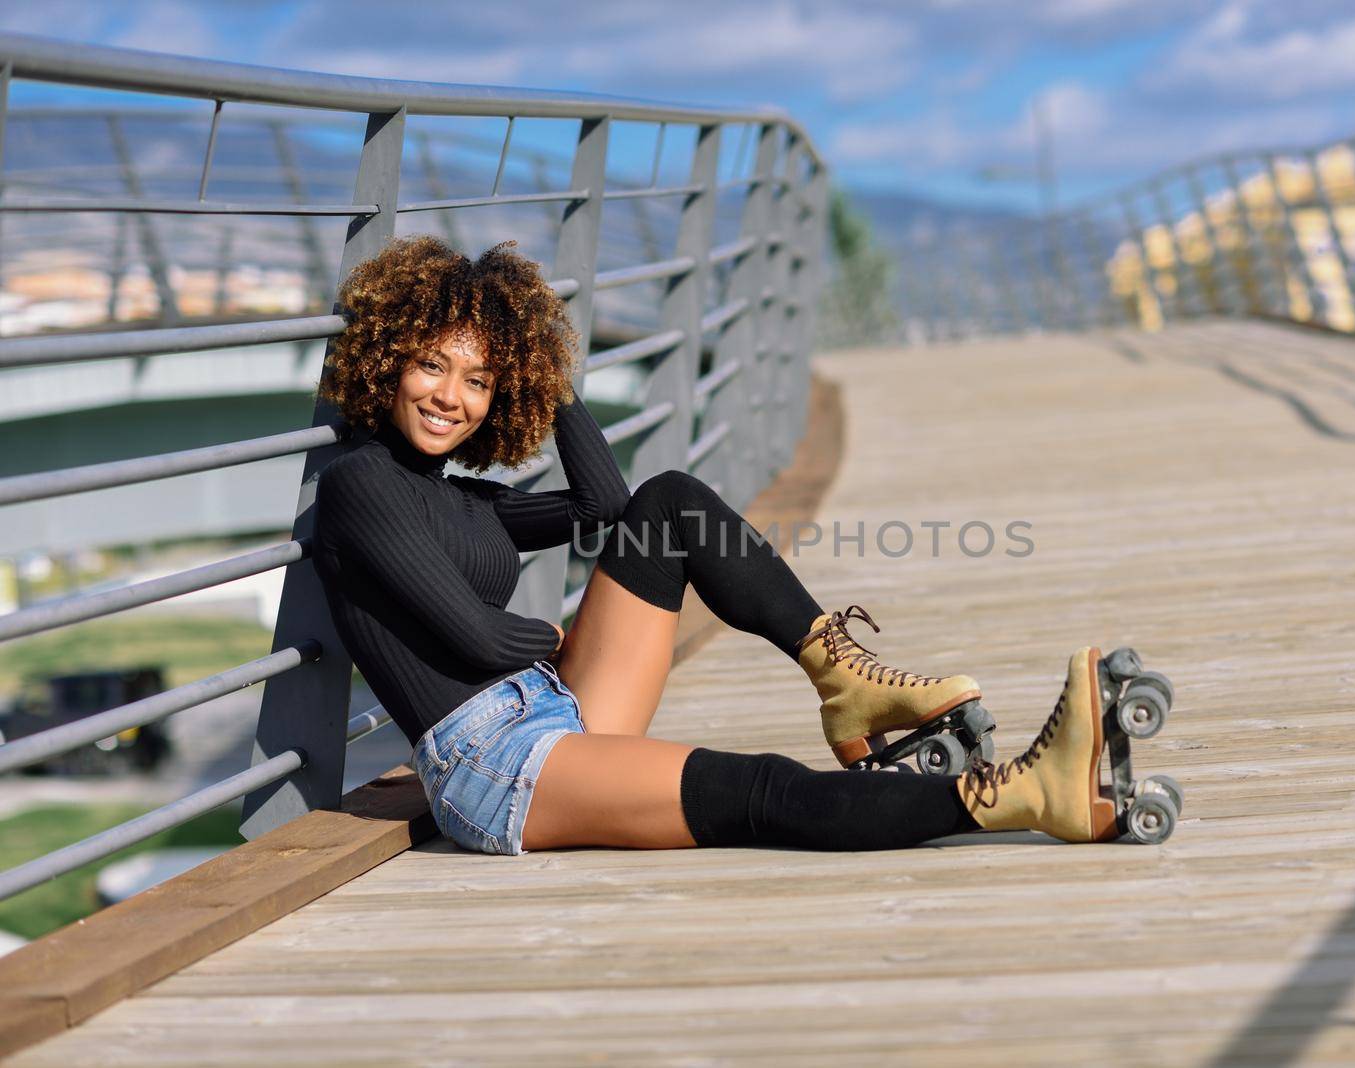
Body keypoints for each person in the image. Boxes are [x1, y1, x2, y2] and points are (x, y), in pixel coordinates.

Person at [311, 235, 1117, 857]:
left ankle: (842, 678)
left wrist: (537, 362)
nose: (452, 396)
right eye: (431, 366)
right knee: (755, 788)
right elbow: (477, 637)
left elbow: (609, 506)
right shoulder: (360, 484)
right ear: (389, 358)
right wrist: (551, 640)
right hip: (491, 766)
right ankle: (1020, 796)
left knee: (672, 503)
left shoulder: (463, 497)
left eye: (480, 379)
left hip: (549, 711)